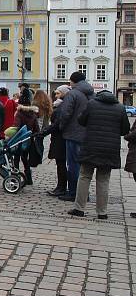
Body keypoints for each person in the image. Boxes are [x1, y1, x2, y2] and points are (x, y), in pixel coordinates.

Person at [68, 90, 129, 219]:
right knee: (103, 179)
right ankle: (102, 212)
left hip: (91, 146)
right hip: (110, 149)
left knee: (84, 176)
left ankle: (79, 209)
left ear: (99, 96)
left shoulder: (91, 104)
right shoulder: (120, 107)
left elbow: (81, 121)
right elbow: (125, 130)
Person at [58, 72, 94, 202]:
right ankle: (84, 193)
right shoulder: (91, 93)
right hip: (87, 134)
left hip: (73, 133)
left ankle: (73, 193)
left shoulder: (73, 93)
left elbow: (66, 113)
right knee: (83, 166)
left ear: (73, 81)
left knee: (73, 165)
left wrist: (62, 126)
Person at [40, 85, 70, 197]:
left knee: (61, 164)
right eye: (55, 93)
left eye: (58, 93)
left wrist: (44, 132)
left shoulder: (62, 107)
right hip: (60, 138)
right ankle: (60, 186)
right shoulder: (60, 106)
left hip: (60, 139)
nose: (56, 95)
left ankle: (61, 188)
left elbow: (56, 125)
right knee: (61, 164)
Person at [13, 92, 40, 187]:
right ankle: (29, 179)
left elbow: (16, 127)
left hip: (19, 139)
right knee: (25, 159)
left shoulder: (19, 113)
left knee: (16, 158)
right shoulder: (33, 114)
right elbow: (37, 129)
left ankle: (15, 177)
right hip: (28, 139)